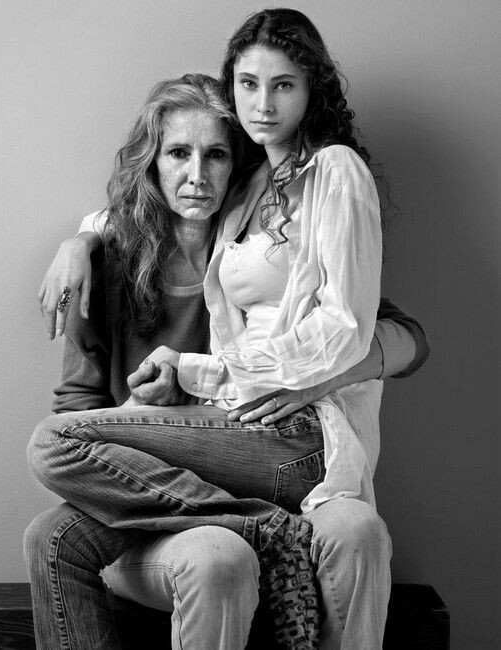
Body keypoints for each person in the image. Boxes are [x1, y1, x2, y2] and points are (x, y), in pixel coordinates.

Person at [27, 10, 428, 650]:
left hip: (252, 442)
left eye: (215, 154)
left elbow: (395, 333)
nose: (197, 175)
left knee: (58, 451)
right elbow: (79, 405)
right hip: (159, 476)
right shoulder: (110, 265)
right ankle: (261, 524)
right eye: (178, 154)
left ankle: (257, 526)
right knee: (50, 529)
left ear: (238, 162)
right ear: (151, 163)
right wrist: (80, 241)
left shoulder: (255, 243)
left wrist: (312, 379)